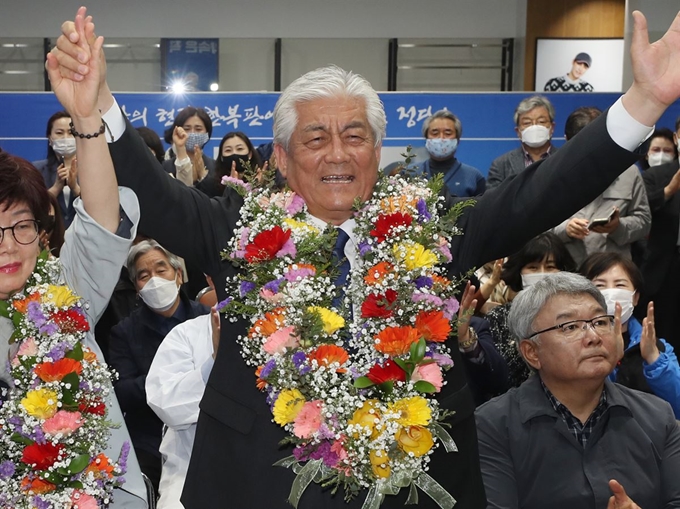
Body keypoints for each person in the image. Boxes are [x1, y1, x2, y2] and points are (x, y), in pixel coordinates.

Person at [52, 7, 680, 508]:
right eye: (315, 138)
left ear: (378, 152)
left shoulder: (435, 231)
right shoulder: (236, 229)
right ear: (283, 156)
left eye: (354, 137)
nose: (335, 154)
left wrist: (644, 104)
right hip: (256, 485)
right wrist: (98, 106)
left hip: (416, 483)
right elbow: (156, 197)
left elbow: (545, 190)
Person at [2, 21, 147, 506]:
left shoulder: (63, 293)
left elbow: (104, 215)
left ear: (41, 233)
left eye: (20, 226)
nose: (8, 246)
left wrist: (85, 116)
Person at [476, 272, 680, 509]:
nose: (593, 337)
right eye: (570, 326)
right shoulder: (493, 426)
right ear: (532, 352)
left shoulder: (657, 417)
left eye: (600, 322)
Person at [109, 239, 209, 494]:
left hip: (204, 430)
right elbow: (123, 392)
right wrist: (165, 380)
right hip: (149, 438)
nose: (154, 279)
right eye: (144, 275)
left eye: (161, 270)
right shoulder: (124, 332)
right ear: (136, 287)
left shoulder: (205, 319)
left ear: (178, 275)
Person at [580, 251, 680, 417]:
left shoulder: (658, 346)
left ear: (635, 297)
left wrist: (654, 359)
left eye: (620, 285)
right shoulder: (573, 343)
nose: (611, 292)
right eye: (600, 285)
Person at [551, 106, 651, 266]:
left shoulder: (628, 172)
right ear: (567, 140)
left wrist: (618, 227)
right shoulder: (552, 174)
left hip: (613, 270)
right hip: (567, 271)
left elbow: (644, 222)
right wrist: (565, 229)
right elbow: (535, 228)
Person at [146, 301, 220, 509]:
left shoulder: (284, 330)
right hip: (190, 476)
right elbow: (166, 405)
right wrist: (216, 360)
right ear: (210, 278)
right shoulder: (186, 335)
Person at [486, 232, 577, 389]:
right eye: (533, 268)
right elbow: (500, 375)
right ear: (519, 271)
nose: (542, 274)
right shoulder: (499, 317)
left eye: (550, 267)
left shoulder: (576, 317)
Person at [640, 121, 680, 351]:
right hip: (664, 266)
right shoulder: (656, 175)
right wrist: (668, 191)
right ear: (676, 138)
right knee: (663, 334)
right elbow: (641, 211)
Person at [486, 95, 557, 189]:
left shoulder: (566, 159)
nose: (534, 127)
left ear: (552, 128)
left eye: (541, 121)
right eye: (527, 123)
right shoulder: (501, 165)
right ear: (518, 132)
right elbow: (494, 201)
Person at [412, 109, 485, 197]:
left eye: (447, 133)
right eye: (435, 133)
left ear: (457, 139)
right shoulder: (410, 173)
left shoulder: (474, 177)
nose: (441, 138)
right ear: (426, 138)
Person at [33, 110, 80, 228]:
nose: (66, 137)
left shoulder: (92, 171)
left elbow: (99, 208)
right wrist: (56, 188)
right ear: (50, 138)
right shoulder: (36, 170)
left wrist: (75, 188)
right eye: (59, 133)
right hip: (50, 239)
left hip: (83, 240)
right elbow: (30, 206)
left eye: (71, 132)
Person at [195, 130, 262, 197]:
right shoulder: (212, 185)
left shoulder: (260, 181)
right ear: (221, 157)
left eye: (239, 149)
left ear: (250, 154)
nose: (234, 153)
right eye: (228, 150)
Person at [162, 106, 215, 186]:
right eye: (186, 129)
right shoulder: (166, 166)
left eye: (198, 129)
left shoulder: (215, 166)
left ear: (207, 133)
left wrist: (203, 176)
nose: (192, 133)